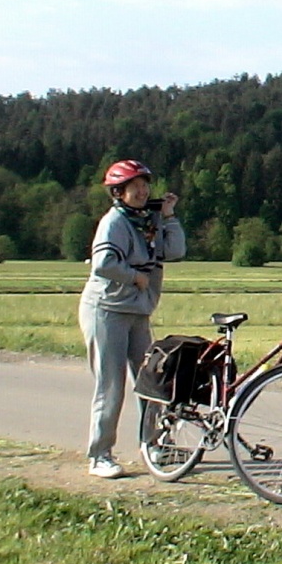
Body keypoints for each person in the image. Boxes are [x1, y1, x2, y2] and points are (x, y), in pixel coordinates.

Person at [79, 159, 185, 479]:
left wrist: (168, 217)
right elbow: (102, 264)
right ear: (118, 192)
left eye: (144, 185)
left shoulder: (147, 221)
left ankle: (154, 446)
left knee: (150, 381)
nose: (141, 191)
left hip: (138, 311)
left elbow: (175, 251)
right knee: (111, 385)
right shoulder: (114, 223)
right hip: (107, 309)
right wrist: (133, 278)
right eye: (133, 187)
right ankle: (100, 455)